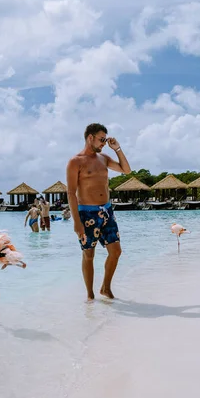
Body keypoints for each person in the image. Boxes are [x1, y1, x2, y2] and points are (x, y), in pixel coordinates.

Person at [66, 123, 131, 301]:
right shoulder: (75, 161)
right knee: (89, 255)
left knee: (115, 252)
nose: (104, 143)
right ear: (90, 138)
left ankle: (105, 288)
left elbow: (126, 170)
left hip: (107, 211)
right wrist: (76, 221)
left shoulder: (104, 158)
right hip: (86, 214)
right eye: (102, 139)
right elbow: (71, 193)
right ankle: (90, 295)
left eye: (105, 139)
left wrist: (117, 149)